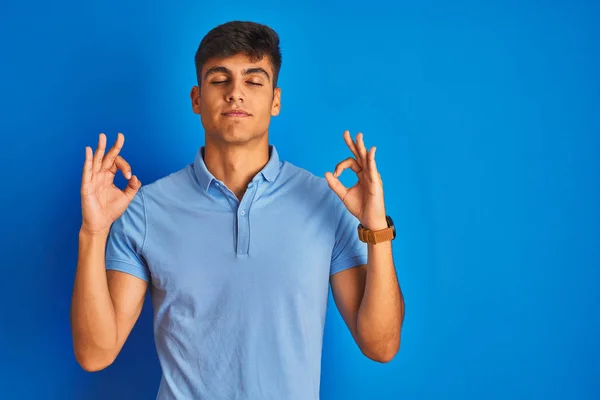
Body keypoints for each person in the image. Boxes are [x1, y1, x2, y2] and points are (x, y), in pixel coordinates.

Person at [70, 20, 405, 399]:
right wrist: (93, 232)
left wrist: (376, 229)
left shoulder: (326, 202)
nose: (235, 94)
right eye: (219, 80)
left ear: (275, 100)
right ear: (197, 99)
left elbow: (381, 346)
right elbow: (96, 353)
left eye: (253, 80)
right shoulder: (146, 208)